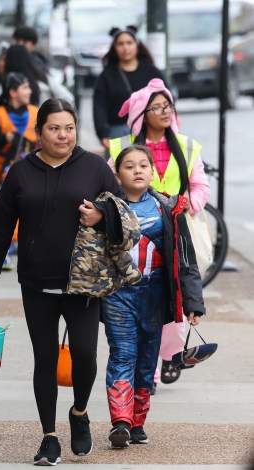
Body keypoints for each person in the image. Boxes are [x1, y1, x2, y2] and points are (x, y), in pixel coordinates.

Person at [0, 99, 124, 466]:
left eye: (69, 127)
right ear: (38, 133)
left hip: (83, 283)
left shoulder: (94, 167)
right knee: (46, 359)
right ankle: (49, 437)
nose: (63, 135)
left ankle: (79, 412)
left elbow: (122, 212)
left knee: (86, 354)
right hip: (37, 282)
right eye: (54, 128)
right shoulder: (20, 172)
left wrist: (101, 215)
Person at [107, 78, 211, 390]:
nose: (165, 112)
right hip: (134, 238)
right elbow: (109, 189)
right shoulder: (120, 148)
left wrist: (183, 207)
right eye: (157, 107)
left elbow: (200, 186)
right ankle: (150, 374)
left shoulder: (187, 146)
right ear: (141, 114)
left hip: (176, 232)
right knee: (142, 298)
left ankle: (167, 354)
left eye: (168, 105)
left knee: (175, 295)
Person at [102, 144, 205, 447]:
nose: (137, 170)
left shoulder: (168, 208)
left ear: (152, 171)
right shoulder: (106, 207)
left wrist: (193, 301)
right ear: (117, 174)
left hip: (155, 295)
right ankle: (120, 420)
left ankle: (137, 422)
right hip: (117, 295)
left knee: (147, 360)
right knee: (122, 353)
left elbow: (185, 260)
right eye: (129, 166)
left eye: (143, 165)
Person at [0, 72, 39, 269]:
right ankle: (5, 253)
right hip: (4, 172)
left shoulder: (36, 113)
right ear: (13, 92)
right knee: (5, 210)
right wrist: (4, 139)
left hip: (32, 170)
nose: (29, 91)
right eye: (25, 87)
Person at [93, 25, 166, 150]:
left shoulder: (151, 71)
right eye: (120, 44)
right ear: (114, 48)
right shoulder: (107, 75)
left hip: (149, 130)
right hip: (117, 132)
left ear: (137, 45)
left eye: (129, 43)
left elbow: (166, 97)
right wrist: (103, 134)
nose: (125, 47)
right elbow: (99, 106)